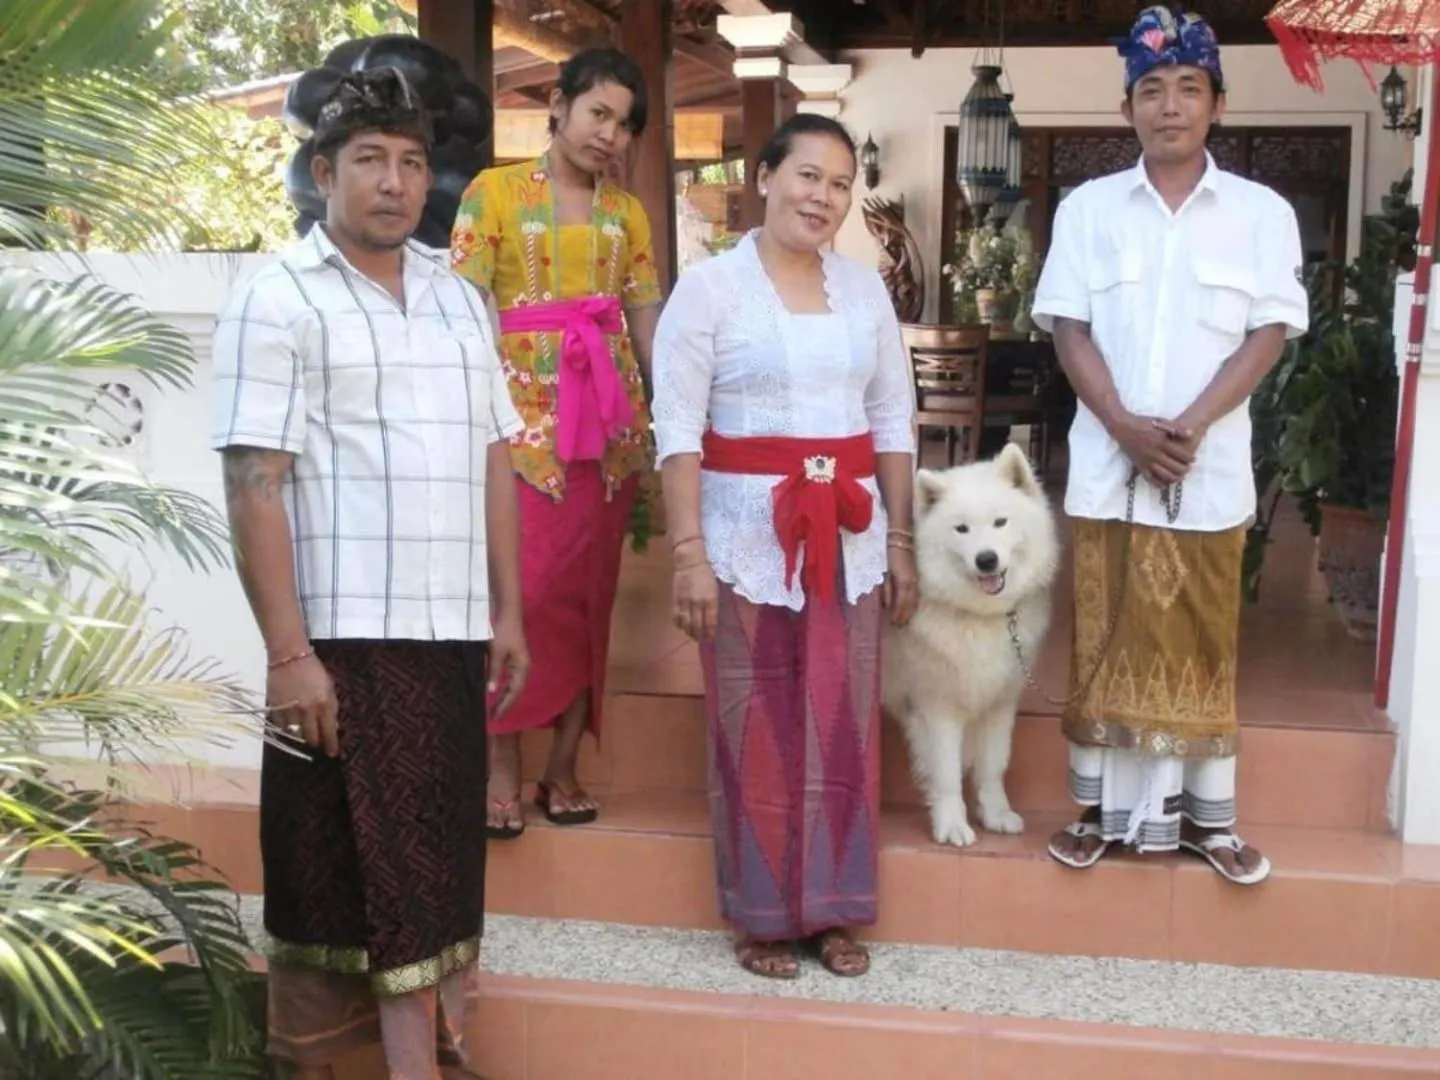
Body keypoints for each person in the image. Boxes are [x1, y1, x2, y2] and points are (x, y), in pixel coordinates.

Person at [211, 67, 527, 1078]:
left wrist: (508, 612)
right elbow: (256, 484)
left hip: (446, 635)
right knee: (335, 873)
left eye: (411, 161)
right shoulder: (277, 297)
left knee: (435, 867)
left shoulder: (459, 301)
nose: (394, 182)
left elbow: (493, 459)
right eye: (369, 161)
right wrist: (288, 654)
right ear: (323, 172)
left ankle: (433, 1052)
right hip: (338, 644)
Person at [1031, 6, 1308, 886]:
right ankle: (1098, 816)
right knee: (1108, 638)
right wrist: (1120, 425)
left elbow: (1269, 334)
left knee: (1198, 641)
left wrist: (1186, 426)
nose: (1169, 105)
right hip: (1110, 472)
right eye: (1150, 90)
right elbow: (1068, 325)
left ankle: (1207, 824)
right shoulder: (1088, 209)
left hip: (1206, 470)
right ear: (1127, 111)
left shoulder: (1261, 214)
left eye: (1188, 88)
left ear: (1217, 104)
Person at [651, 113, 919, 979]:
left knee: (840, 721)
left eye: (841, 184)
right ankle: (763, 914)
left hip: (848, 530)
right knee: (756, 719)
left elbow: (891, 418)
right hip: (743, 535)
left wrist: (904, 539)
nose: (824, 197)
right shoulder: (711, 290)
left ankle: (832, 908)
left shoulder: (864, 290)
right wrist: (688, 551)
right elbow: (678, 428)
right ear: (764, 177)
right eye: (808, 176)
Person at [451, 47, 660, 838]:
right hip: (520, 430)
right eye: (599, 113)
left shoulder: (628, 215)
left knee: (585, 600)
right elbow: (463, 317)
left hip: (605, 436)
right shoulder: (492, 194)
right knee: (522, 595)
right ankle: (500, 759)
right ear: (560, 106)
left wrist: (670, 414)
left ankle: (563, 765)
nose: (610, 134)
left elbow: (644, 319)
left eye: (625, 124)